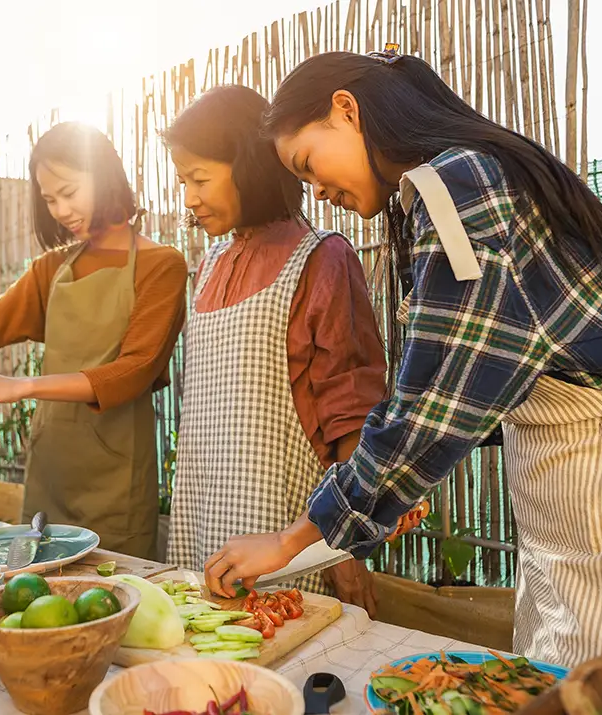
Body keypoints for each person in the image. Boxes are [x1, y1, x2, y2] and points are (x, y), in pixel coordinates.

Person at [204, 48, 602, 667]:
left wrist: (290, 541)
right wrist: (403, 482)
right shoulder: (465, 178)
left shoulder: (459, 186)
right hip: (585, 484)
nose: (317, 191)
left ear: (347, 109)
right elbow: (494, 374)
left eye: (309, 163)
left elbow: (431, 410)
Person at [164, 84, 391, 606]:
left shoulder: (321, 260)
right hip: (201, 521)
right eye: (183, 182)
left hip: (284, 538)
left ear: (250, 166)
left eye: (200, 179)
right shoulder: (209, 267)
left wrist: (343, 553)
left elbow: (352, 416)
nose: (189, 199)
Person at [0, 122, 188, 561]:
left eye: (68, 192)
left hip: (116, 479)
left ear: (103, 177)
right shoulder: (51, 270)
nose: (60, 210)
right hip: (51, 472)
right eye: (49, 199)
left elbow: (132, 372)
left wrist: (21, 386)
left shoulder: (161, 265)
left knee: (112, 595)